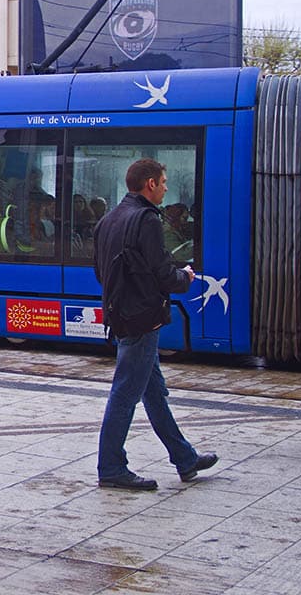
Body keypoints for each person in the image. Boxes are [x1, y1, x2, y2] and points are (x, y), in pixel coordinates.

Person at [93, 159, 217, 491]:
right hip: (142, 319)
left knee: (154, 392)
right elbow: (162, 273)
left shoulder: (109, 219)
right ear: (149, 184)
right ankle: (111, 467)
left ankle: (185, 459)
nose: (165, 188)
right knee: (125, 392)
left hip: (121, 314)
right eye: (163, 182)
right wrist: (185, 277)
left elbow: (100, 272)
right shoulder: (146, 220)